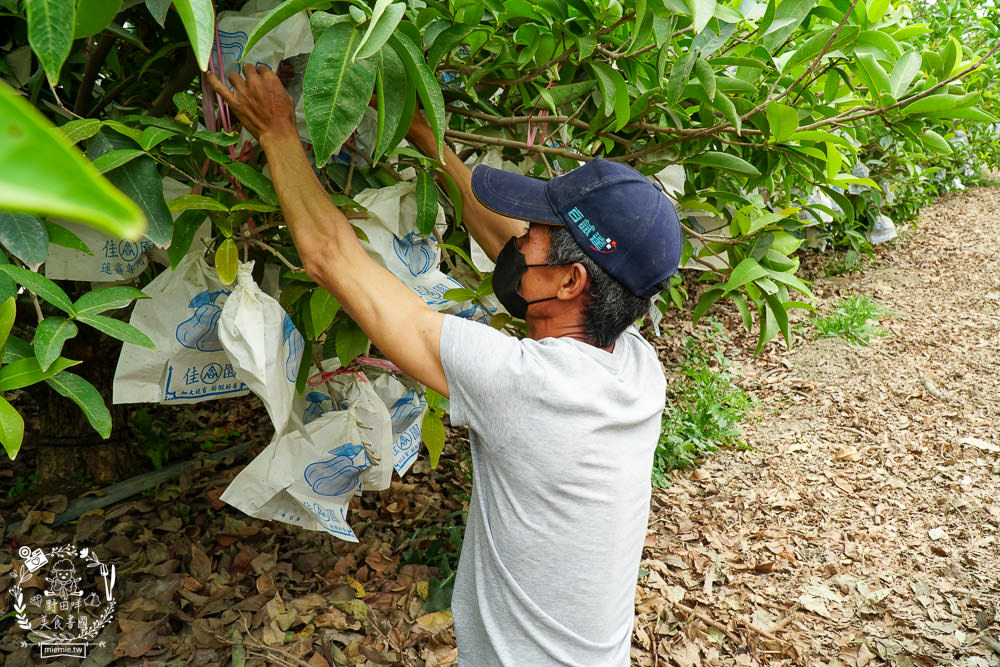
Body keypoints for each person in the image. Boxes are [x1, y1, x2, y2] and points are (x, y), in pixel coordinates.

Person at [207, 64, 682, 666]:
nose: (519, 239)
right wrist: (427, 140)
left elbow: (333, 258)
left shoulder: (521, 383)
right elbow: (507, 248)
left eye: (537, 231)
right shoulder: (634, 364)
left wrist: (276, 131)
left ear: (570, 281)